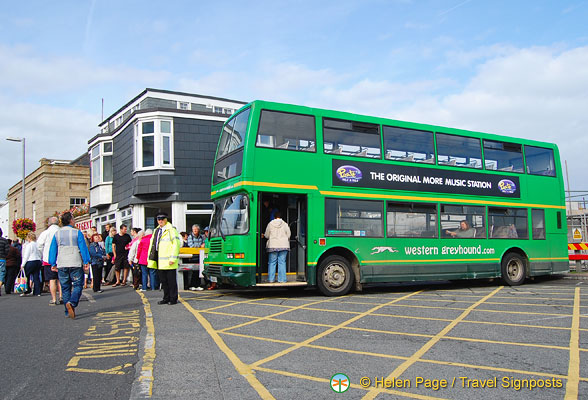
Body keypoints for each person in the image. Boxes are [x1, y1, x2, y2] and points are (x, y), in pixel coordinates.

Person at [48, 212, 91, 319]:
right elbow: (83, 248)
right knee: (78, 285)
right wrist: (86, 261)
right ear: (71, 220)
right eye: (74, 218)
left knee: (65, 287)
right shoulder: (77, 232)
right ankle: (72, 303)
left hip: (62, 263)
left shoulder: (57, 234)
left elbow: (53, 249)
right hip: (75, 262)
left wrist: (52, 262)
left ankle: (67, 311)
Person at [148, 212, 181, 305]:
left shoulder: (171, 230)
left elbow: (176, 244)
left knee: (171, 282)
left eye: (162, 219)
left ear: (166, 220)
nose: (160, 221)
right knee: (164, 282)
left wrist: (173, 258)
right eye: (159, 219)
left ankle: (173, 298)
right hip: (160, 260)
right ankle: (166, 298)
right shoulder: (156, 230)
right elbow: (153, 244)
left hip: (169, 260)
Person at [37, 216, 63, 305]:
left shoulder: (45, 233)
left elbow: (39, 246)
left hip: (48, 259)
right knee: (61, 279)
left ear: (49, 223)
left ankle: (54, 299)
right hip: (61, 258)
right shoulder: (61, 231)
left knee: (52, 280)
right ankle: (61, 296)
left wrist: (42, 254)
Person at [264, 211, 291, 283]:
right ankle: (282, 279)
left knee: (272, 262)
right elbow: (289, 235)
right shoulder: (285, 224)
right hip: (284, 245)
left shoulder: (270, 224)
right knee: (282, 262)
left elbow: (266, 235)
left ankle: (271, 279)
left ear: (274, 216)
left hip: (273, 245)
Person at [21, 232, 43, 296]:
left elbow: (26, 255)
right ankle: (37, 291)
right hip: (38, 261)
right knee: (36, 276)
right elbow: (40, 253)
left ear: (29, 238)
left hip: (30, 261)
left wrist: (22, 264)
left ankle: (27, 290)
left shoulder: (29, 245)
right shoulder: (37, 244)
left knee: (26, 276)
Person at [187, 224, 205, 291]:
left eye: (196, 229)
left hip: (200, 256)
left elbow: (204, 244)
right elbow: (191, 245)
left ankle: (198, 285)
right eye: (194, 230)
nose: (195, 231)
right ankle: (192, 285)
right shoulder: (190, 237)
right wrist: (200, 246)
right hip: (193, 256)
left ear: (198, 230)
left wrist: (200, 246)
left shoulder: (201, 237)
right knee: (193, 271)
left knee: (199, 271)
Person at [0, 228, 10, 296]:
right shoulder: (4, 240)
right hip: (2, 259)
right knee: (1, 274)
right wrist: (4, 255)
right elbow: (7, 250)